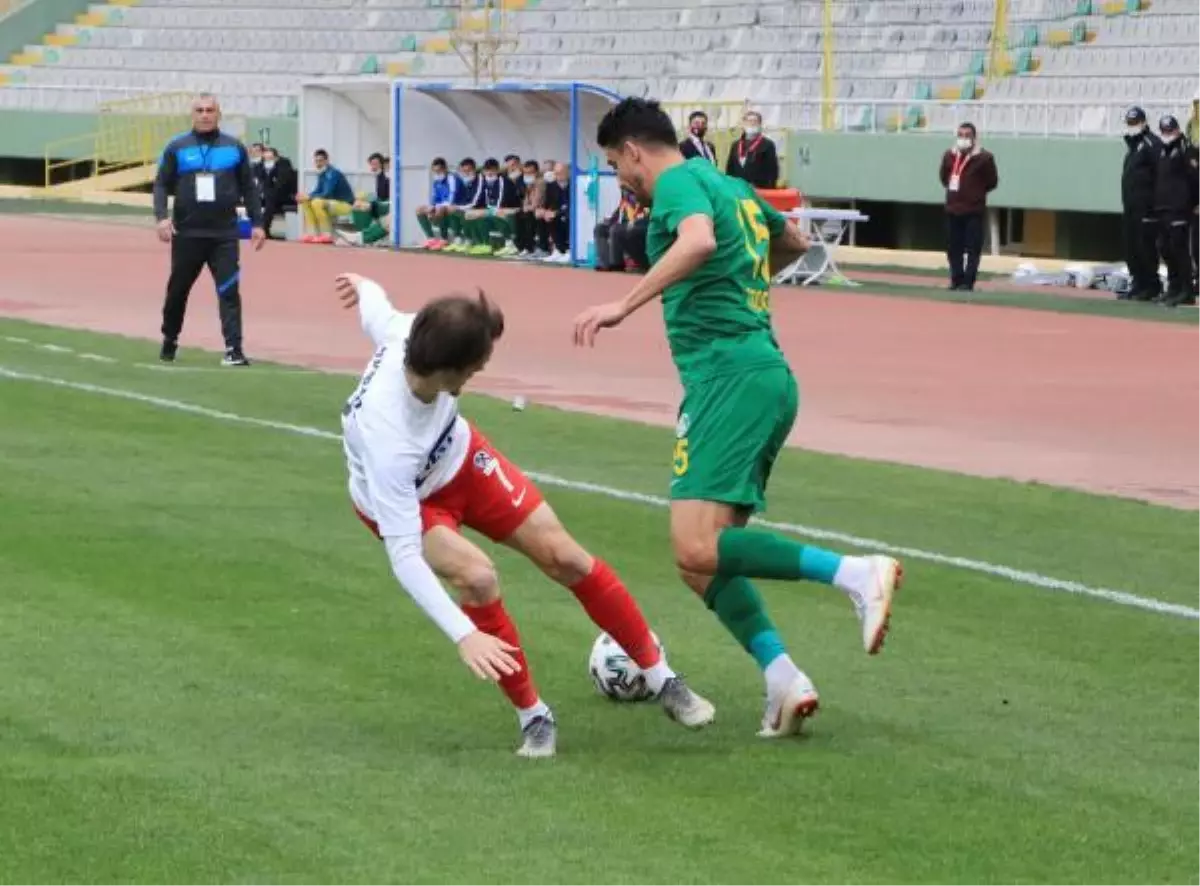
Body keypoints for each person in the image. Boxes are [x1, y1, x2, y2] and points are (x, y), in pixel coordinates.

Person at [572, 97, 902, 739]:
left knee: (693, 545)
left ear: (635, 151)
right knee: (702, 561)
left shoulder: (674, 185)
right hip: (763, 374)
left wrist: (624, 304)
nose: (623, 181)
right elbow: (794, 243)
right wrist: (738, 288)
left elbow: (696, 240)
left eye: (617, 166)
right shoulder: (732, 187)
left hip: (728, 378)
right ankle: (782, 678)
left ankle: (856, 574)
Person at [336, 271, 714, 758]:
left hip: (460, 460)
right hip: (407, 502)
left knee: (567, 557)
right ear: (446, 369)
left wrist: (362, 284)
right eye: (473, 369)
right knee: (477, 579)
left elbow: (377, 308)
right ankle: (534, 717)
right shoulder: (389, 439)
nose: (476, 376)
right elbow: (404, 554)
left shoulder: (410, 332)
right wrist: (464, 634)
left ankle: (663, 680)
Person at [152, 92, 264, 367]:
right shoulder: (177, 146)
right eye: (200, 110)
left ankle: (233, 349)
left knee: (229, 291)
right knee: (178, 290)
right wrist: (161, 217)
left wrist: (258, 223)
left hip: (224, 234)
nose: (205, 114)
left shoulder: (234, 147)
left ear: (218, 114)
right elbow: (161, 184)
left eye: (210, 110)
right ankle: (170, 339)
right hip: (187, 233)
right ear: (192, 114)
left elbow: (249, 187)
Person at [938, 122, 999, 292]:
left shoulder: (984, 158)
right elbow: (944, 178)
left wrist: (976, 193)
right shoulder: (949, 155)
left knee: (973, 248)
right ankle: (956, 279)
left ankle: (968, 282)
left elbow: (992, 182)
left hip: (973, 210)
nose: (963, 139)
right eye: (960, 135)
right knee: (953, 248)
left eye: (967, 135)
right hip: (952, 208)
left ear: (973, 138)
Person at [1152, 115, 1197, 307]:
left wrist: (1195, 202)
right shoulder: (1163, 151)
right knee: (1165, 248)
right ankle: (1174, 287)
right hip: (1163, 207)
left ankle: (1186, 291)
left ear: (1177, 130)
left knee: (1180, 250)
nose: (1167, 134)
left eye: (1170, 131)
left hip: (1180, 208)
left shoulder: (1186, 150)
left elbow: (1195, 178)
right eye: (1164, 131)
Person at [1119, 107, 1162, 302]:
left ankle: (1151, 285)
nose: (1132, 127)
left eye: (1135, 123)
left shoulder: (1151, 144)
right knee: (1132, 247)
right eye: (1130, 123)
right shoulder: (1133, 146)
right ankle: (1138, 283)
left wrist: (1154, 204)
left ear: (1144, 122)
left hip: (1147, 207)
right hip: (1131, 207)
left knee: (1146, 247)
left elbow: (1160, 176)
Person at [298, 149, 355, 244]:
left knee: (317, 202)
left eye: (320, 161)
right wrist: (306, 196)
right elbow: (317, 191)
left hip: (345, 205)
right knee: (306, 202)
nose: (318, 164)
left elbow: (327, 193)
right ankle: (312, 234)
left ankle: (327, 234)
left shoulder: (333, 173)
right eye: (316, 161)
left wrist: (310, 197)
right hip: (332, 203)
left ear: (326, 161)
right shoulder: (322, 174)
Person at [593, 188, 649, 272]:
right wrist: (609, 220)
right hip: (625, 224)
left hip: (639, 225)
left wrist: (635, 222)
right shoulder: (626, 198)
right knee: (600, 228)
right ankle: (604, 264)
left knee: (615, 229)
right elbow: (618, 213)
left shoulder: (645, 196)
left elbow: (647, 215)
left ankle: (617, 265)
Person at [724, 110, 778, 189]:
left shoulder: (767, 145)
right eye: (749, 121)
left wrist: (769, 188)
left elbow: (772, 171)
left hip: (759, 189)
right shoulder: (735, 145)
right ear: (744, 124)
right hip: (738, 189)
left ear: (760, 124)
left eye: (755, 121)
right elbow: (730, 169)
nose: (752, 123)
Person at [415, 157, 460, 250]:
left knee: (439, 209)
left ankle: (444, 239)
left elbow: (453, 195)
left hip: (454, 205)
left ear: (445, 169)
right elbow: (435, 198)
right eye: (435, 171)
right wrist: (431, 207)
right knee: (419, 209)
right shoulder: (436, 181)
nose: (437, 173)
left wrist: (439, 206)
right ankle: (430, 238)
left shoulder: (452, 178)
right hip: (442, 206)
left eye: (439, 171)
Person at [260, 146, 298, 240]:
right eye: (265, 159)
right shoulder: (262, 165)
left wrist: (271, 169)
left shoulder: (284, 164)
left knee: (270, 198)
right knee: (257, 199)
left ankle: (264, 229)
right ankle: (257, 229)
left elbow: (280, 184)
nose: (267, 161)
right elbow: (261, 182)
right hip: (271, 196)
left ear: (276, 157)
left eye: (270, 158)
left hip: (287, 195)